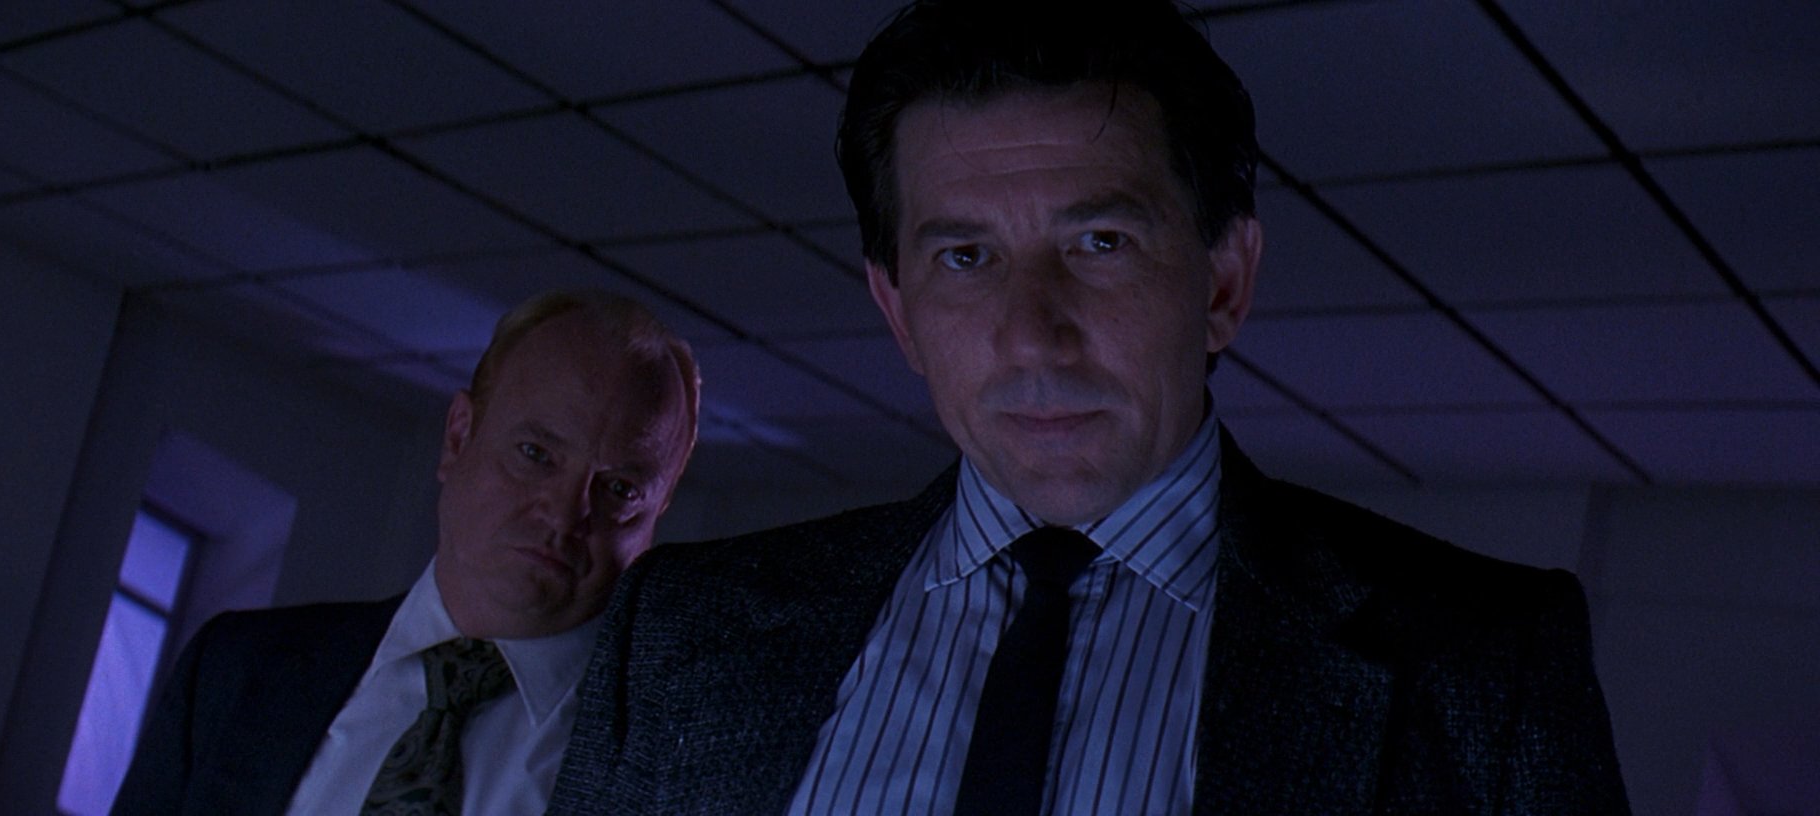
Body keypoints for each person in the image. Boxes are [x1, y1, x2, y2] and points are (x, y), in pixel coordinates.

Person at [547, 1, 1630, 814]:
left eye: (1099, 243)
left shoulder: (1484, 671)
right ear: (898, 311)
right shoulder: (680, 634)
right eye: (965, 257)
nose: (1033, 333)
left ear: (1223, 283)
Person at [113, 290, 701, 814]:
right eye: (535, 454)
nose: (566, 514)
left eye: (620, 489)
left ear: (656, 519)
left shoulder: (674, 769)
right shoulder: (238, 673)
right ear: (458, 437)